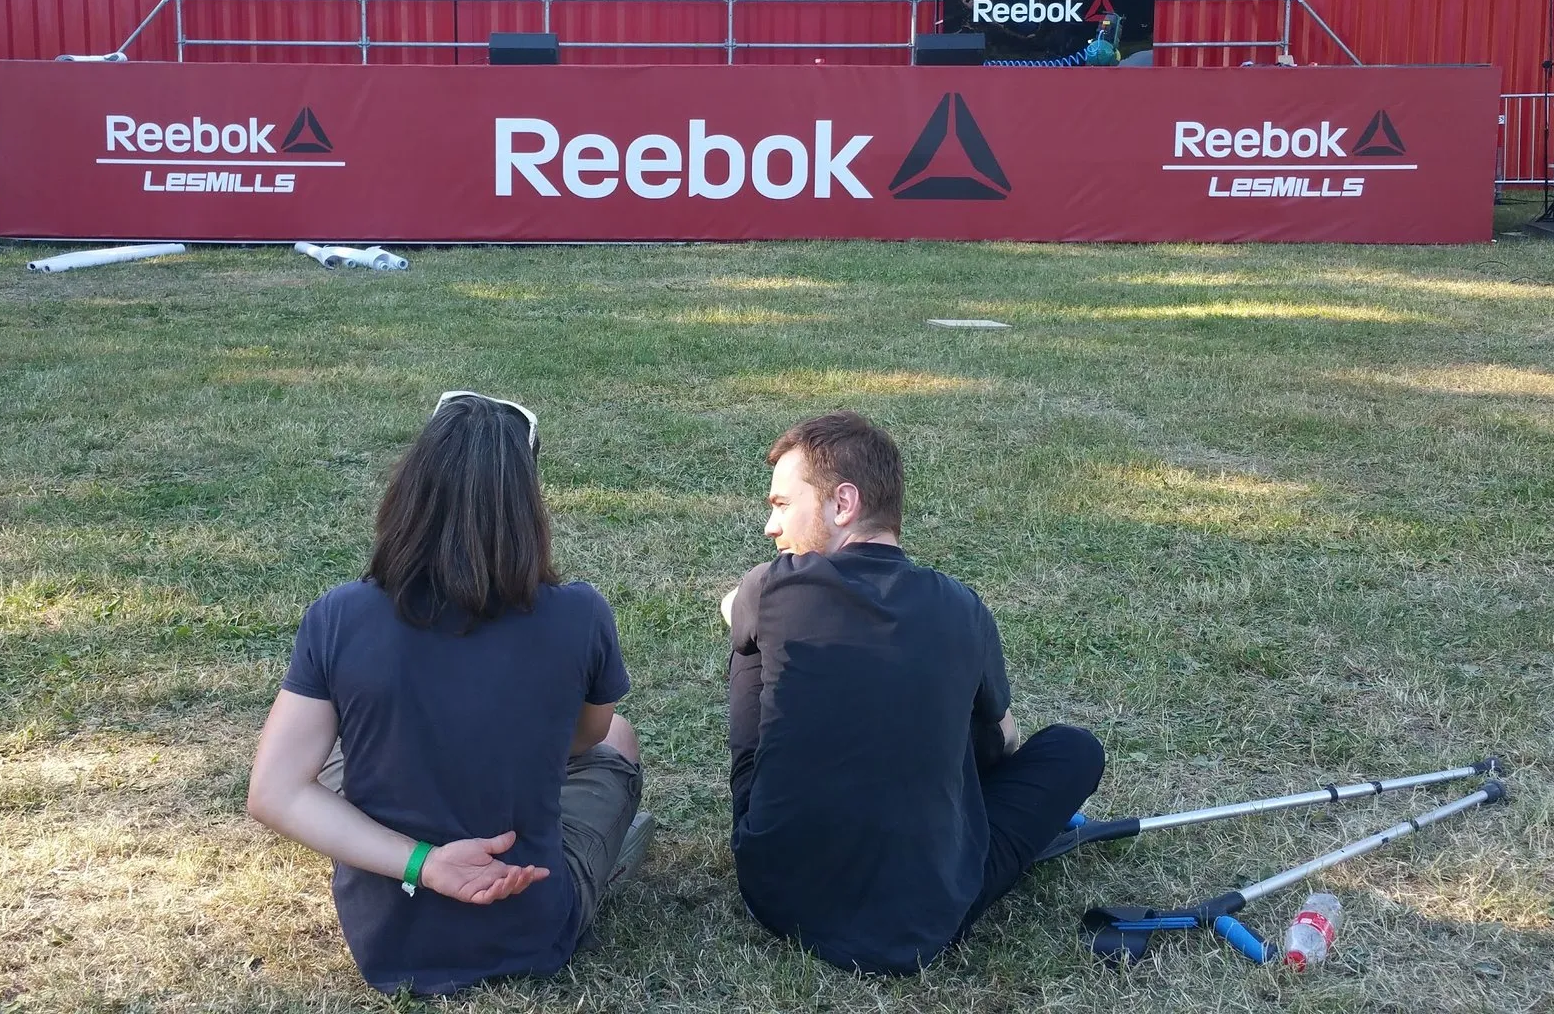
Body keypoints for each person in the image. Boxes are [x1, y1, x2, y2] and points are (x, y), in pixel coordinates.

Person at [247, 392, 652, 995]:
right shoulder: (581, 614)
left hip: (387, 941)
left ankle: (400, 851)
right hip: (531, 923)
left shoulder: (339, 614)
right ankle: (611, 861)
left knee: (332, 752)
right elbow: (586, 737)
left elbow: (273, 792)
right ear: (526, 507)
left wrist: (427, 864)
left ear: (411, 489)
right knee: (618, 738)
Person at [723, 411, 1105, 974]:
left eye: (781, 505)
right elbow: (997, 743)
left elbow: (734, 606)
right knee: (1074, 749)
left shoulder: (770, 586)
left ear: (842, 503)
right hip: (928, 915)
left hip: (778, 889)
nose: (769, 528)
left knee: (750, 638)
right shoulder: (962, 608)